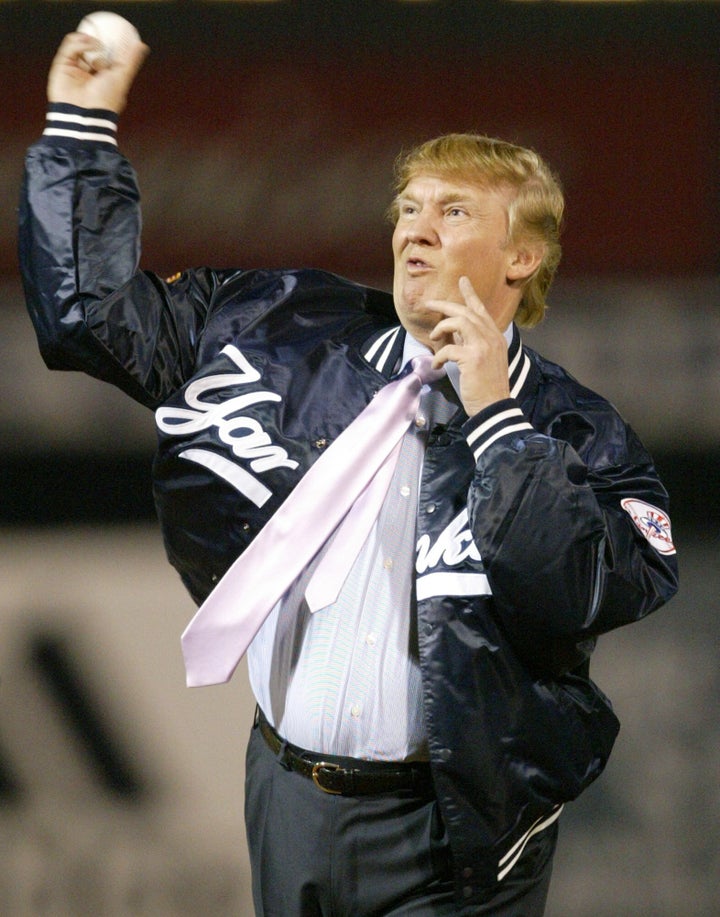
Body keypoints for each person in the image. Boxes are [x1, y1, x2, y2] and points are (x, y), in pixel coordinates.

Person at [19, 29, 678, 917]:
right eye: (408, 206)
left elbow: (570, 590)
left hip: (456, 833)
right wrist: (79, 128)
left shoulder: (579, 433)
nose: (416, 226)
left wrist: (495, 416)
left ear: (523, 257)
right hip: (289, 795)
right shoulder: (280, 333)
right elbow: (88, 320)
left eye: (454, 211)